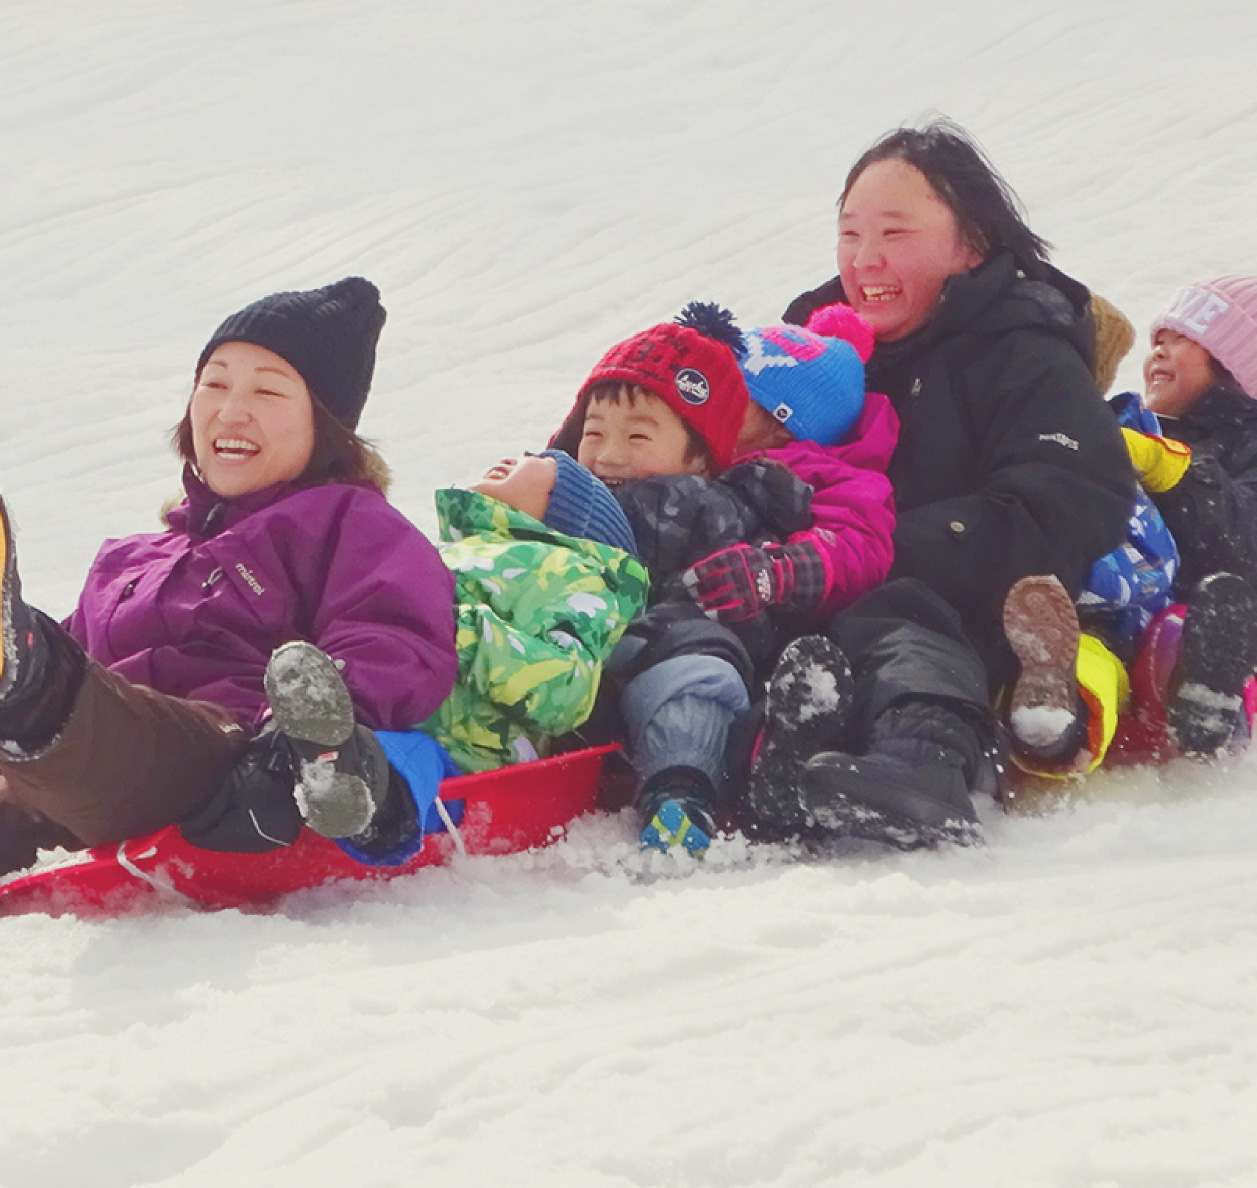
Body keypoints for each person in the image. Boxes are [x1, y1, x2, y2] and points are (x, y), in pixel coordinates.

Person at [749, 118, 1133, 848]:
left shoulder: (1022, 351)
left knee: (897, 612)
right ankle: (754, 764)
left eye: (894, 234)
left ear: (970, 245)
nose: (865, 259)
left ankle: (925, 767)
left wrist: (869, 550)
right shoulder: (814, 347)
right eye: (850, 234)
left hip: (960, 609)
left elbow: (1066, 502)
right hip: (802, 585)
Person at [0, 277, 458, 875]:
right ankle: (26, 681)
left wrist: (296, 737)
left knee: (73, 712)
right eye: (213, 383)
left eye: (268, 392)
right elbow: (90, 678)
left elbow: (392, 636)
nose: (230, 409)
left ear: (327, 424)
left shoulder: (350, 523)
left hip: (229, 755)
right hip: (77, 782)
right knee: (44, 743)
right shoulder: (129, 558)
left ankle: (28, 675)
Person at [1004, 275, 1257, 771]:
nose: (1158, 352)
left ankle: (1210, 705)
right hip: (1122, 611)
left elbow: (1244, 533)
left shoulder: (1243, 447)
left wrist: (1173, 472)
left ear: (1237, 366)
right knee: (1086, 650)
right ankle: (1056, 724)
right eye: (1157, 340)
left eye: (1182, 340)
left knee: (1197, 629)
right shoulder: (1130, 425)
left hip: (1207, 617)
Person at [419, 450, 649, 774]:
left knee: (400, 758)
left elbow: (567, 686)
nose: (507, 460)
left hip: (464, 744)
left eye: (536, 463)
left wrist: (463, 631)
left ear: (572, 511)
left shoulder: (575, 573)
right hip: (387, 695)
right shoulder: (450, 552)